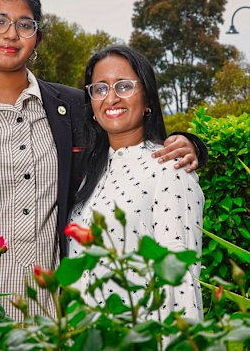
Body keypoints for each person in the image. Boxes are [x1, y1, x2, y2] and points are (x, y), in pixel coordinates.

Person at [0, 0, 206, 322]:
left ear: (38, 37)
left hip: (58, 320)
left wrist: (189, 144)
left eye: (24, 24)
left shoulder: (74, 108)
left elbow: (127, 138)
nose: (11, 34)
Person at [68, 45, 204, 322]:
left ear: (148, 99)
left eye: (125, 86)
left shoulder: (170, 169)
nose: (112, 98)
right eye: (100, 88)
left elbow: (179, 281)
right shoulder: (87, 173)